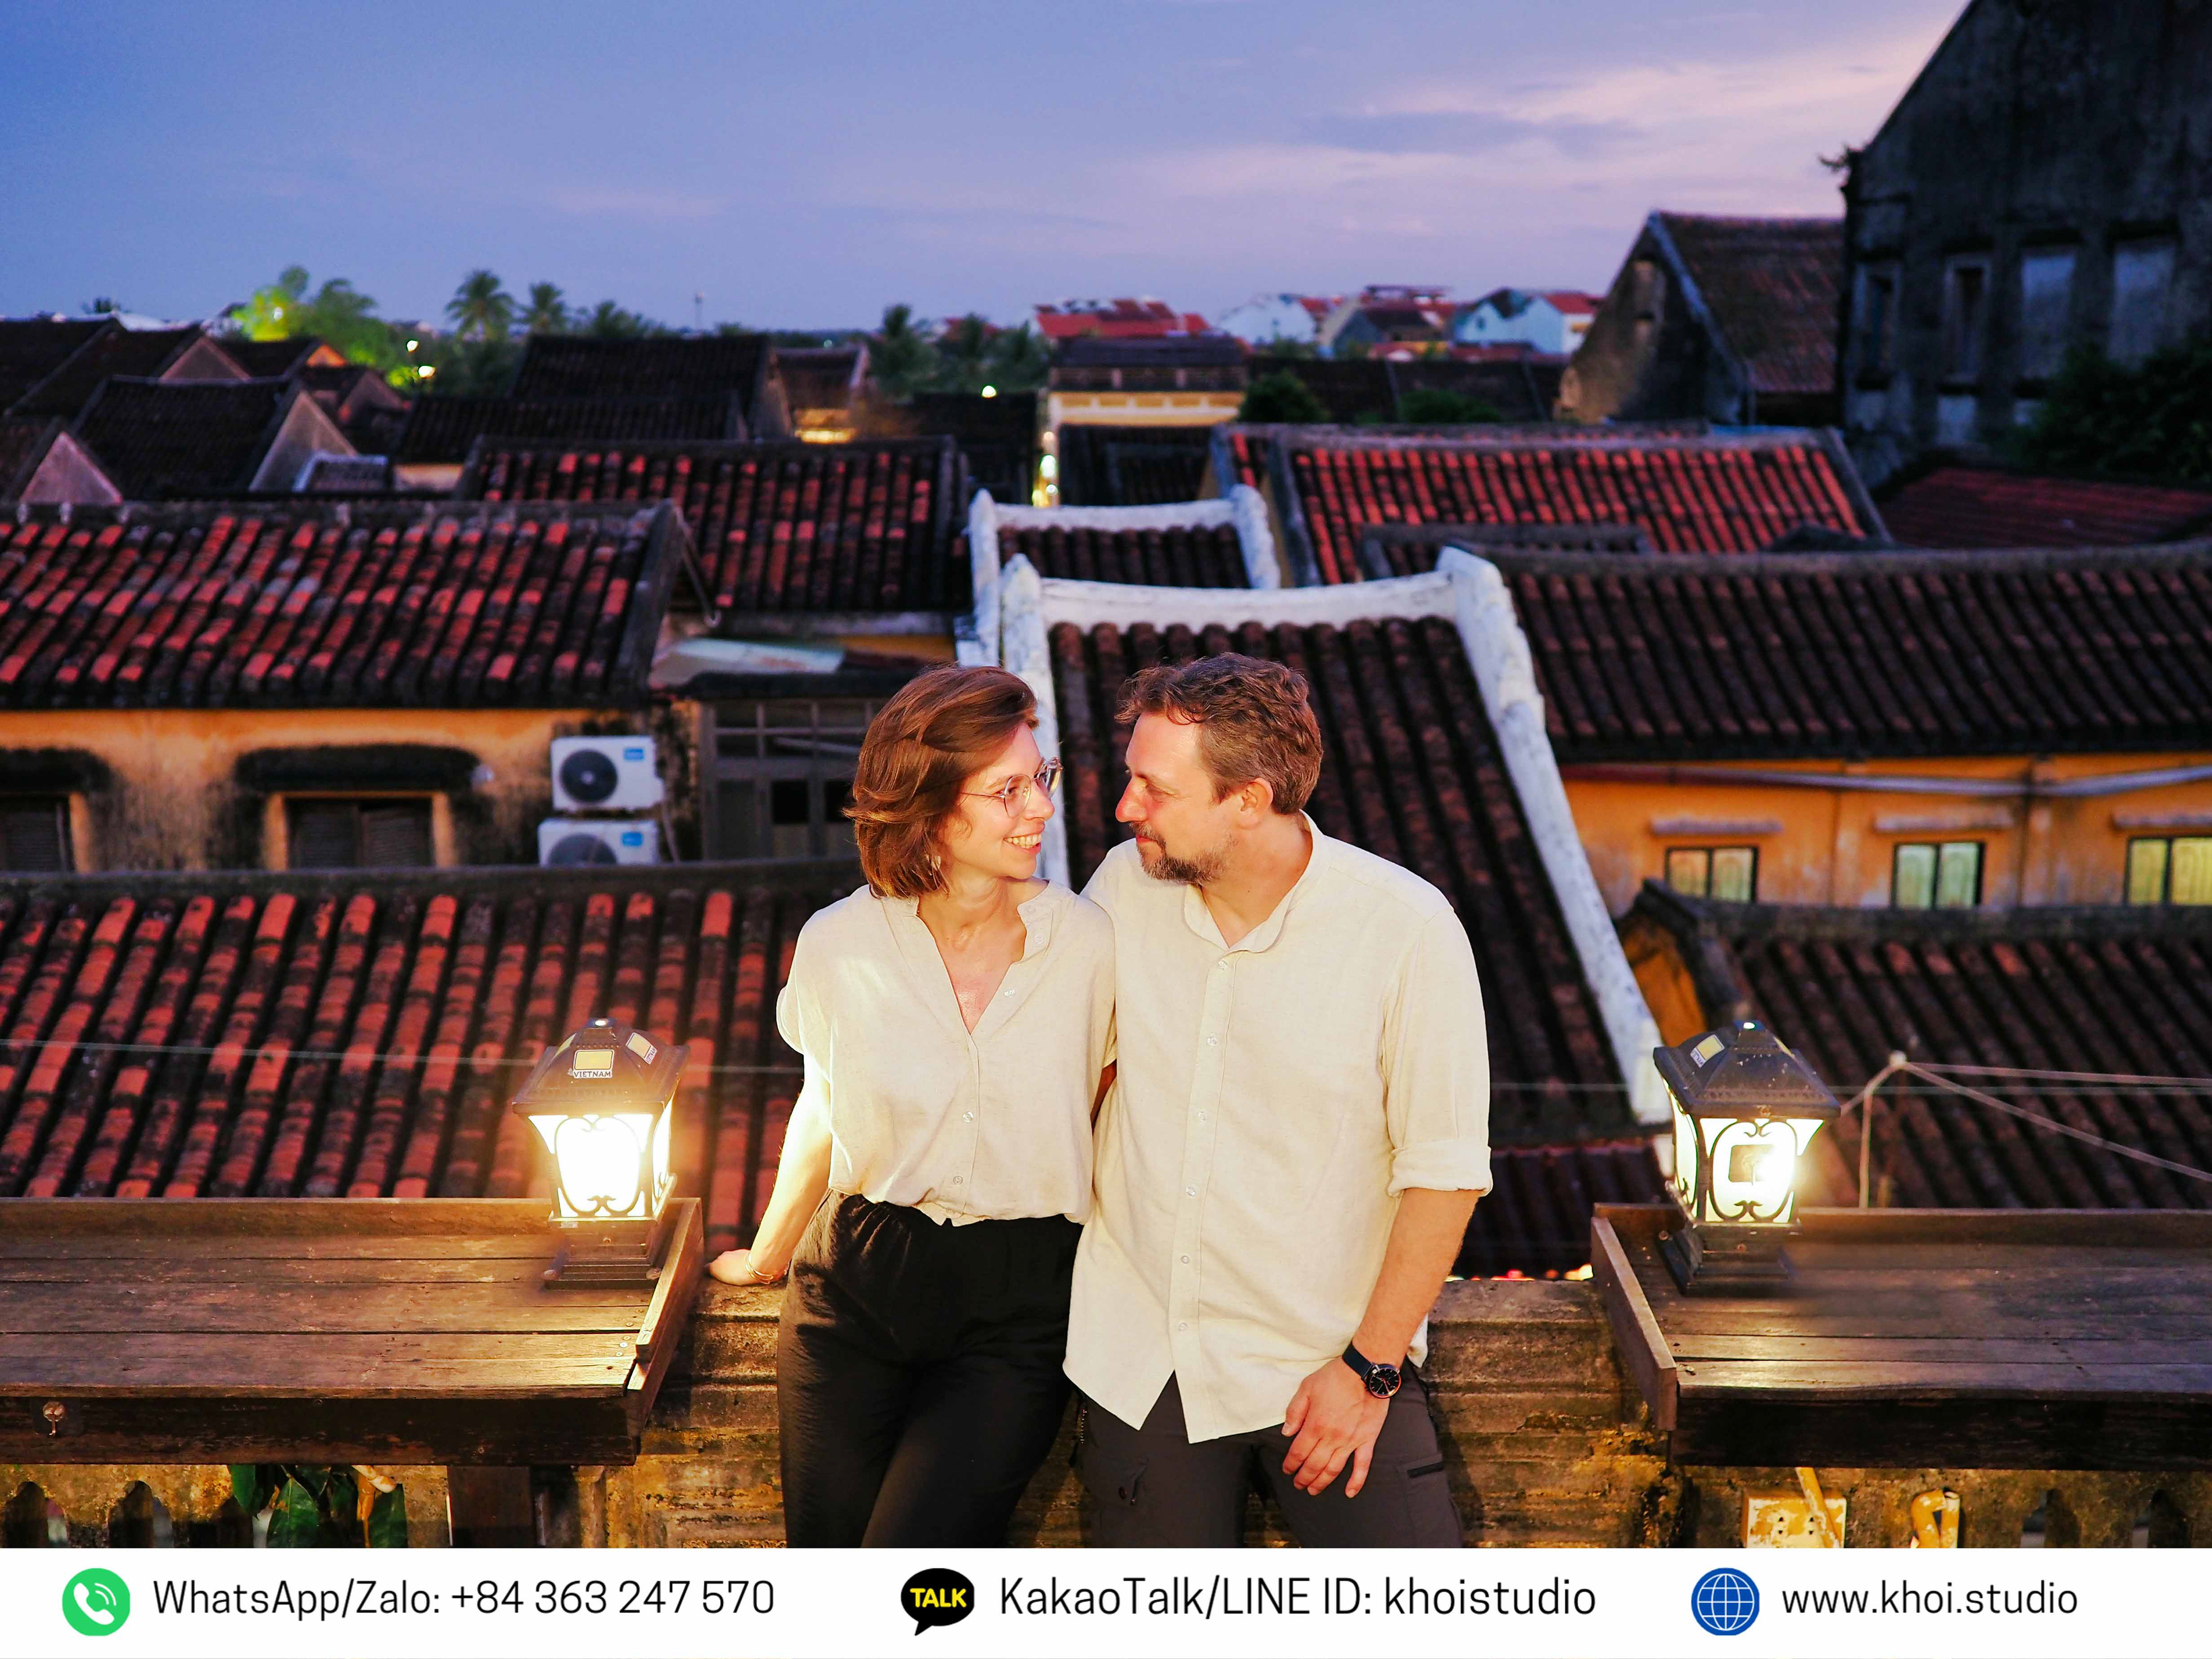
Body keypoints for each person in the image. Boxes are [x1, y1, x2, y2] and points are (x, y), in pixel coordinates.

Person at [1067, 652, 1489, 1547]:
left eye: (1154, 788)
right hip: (1146, 1363)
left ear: (1249, 801)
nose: (1124, 807)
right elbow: (1073, 1080)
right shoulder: (1119, 889)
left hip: (1327, 1366)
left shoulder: (1407, 930)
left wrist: (1370, 1371)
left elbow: (1444, 1173)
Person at [706, 664, 1113, 1548]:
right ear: (931, 809)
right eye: (1007, 791)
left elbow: (1123, 1115)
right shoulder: (839, 944)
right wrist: (768, 1256)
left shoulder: (1089, 948)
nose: (1040, 808)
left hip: (1018, 1308)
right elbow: (825, 1102)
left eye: (1038, 779)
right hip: (855, 1288)